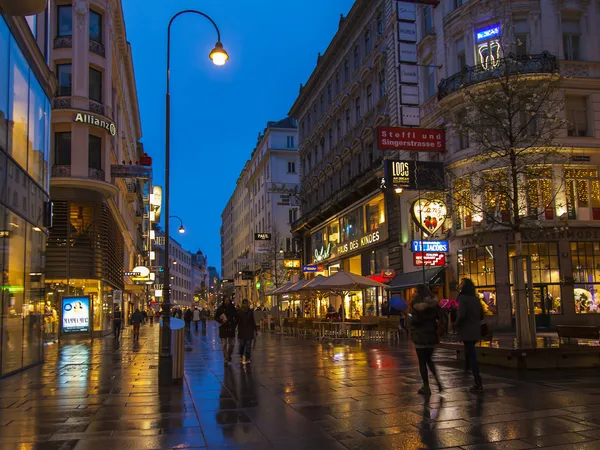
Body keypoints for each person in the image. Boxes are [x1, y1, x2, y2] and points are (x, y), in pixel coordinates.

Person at [410, 284, 443, 395]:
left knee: (422, 362)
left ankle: (426, 386)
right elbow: (441, 317)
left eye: (415, 291)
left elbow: (414, 321)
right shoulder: (434, 304)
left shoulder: (415, 304)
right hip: (431, 336)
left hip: (420, 336)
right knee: (429, 360)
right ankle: (438, 382)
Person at [455, 278, 483, 393]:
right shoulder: (475, 298)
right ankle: (472, 374)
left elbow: (461, 314)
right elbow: (481, 314)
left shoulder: (462, 298)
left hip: (467, 330)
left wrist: (456, 324)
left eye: (461, 283)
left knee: (471, 355)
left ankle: (477, 381)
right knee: (470, 353)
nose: (459, 284)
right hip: (476, 329)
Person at [215, 296, 237, 364]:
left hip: (231, 327)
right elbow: (216, 317)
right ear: (223, 301)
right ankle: (225, 358)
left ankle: (229, 355)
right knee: (224, 345)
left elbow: (236, 316)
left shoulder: (232, 308)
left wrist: (234, 323)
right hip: (223, 327)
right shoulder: (220, 308)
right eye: (226, 300)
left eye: (228, 300)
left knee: (232, 344)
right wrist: (221, 320)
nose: (227, 302)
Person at [237, 299, 256, 364]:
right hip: (242, 330)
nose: (246, 305)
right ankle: (241, 356)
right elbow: (237, 320)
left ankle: (248, 358)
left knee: (248, 345)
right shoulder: (239, 311)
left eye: (247, 303)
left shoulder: (250, 311)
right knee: (242, 345)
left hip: (249, 330)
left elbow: (253, 321)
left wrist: (255, 329)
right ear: (242, 304)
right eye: (244, 303)